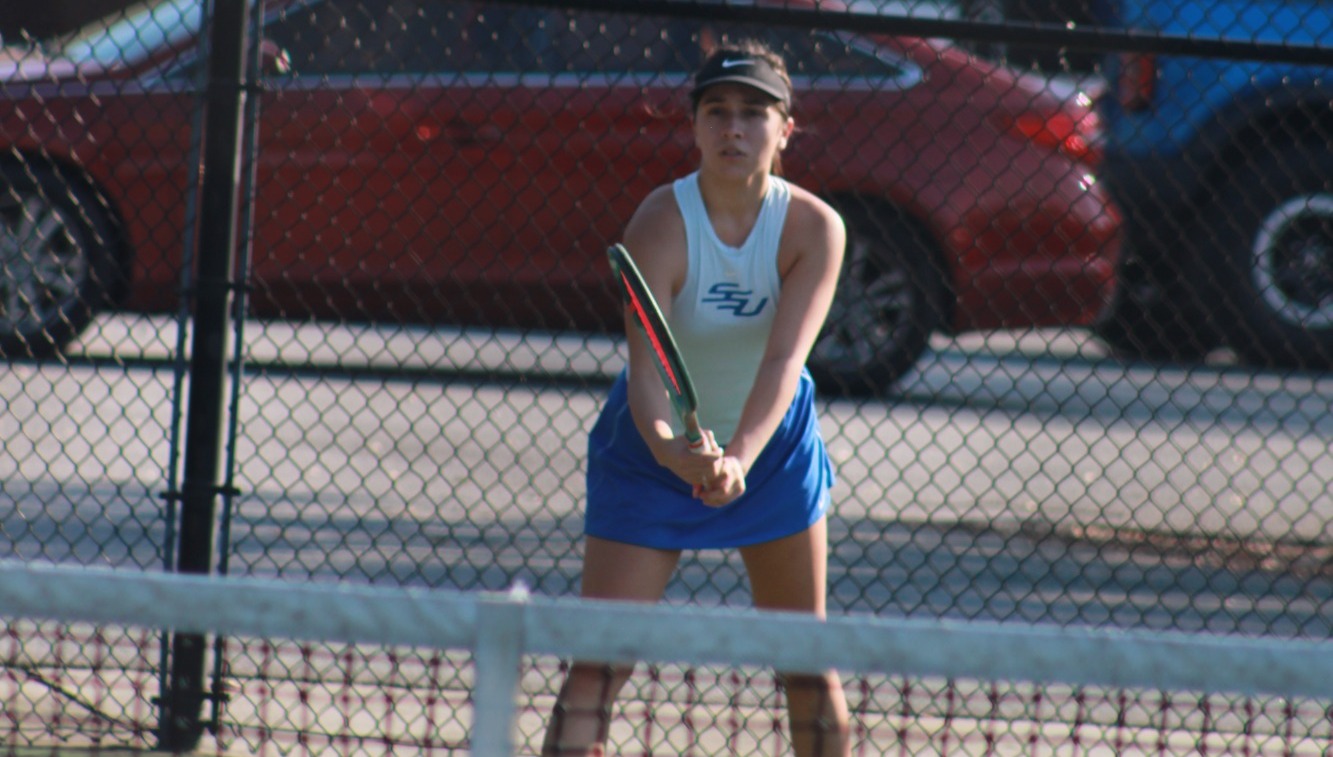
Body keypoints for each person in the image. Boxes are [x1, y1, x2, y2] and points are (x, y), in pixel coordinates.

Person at [542, 39, 851, 757]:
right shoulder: (659, 221)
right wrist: (673, 452)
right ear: (695, 126)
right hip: (646, 456)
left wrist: (738, 456)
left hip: (772, 455)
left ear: (784, 129)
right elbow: (647, 373)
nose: (733, 129)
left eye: (752, 113)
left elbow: (783, 360)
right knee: (598, 661)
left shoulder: (814, 229)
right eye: (716, 112)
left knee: (804, 659)